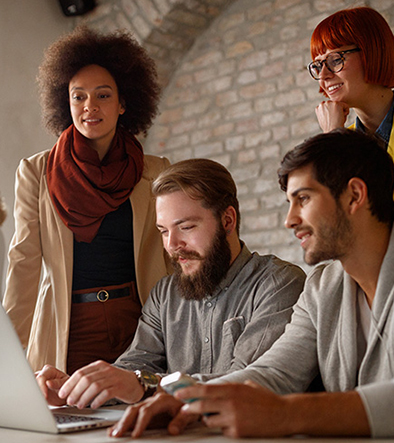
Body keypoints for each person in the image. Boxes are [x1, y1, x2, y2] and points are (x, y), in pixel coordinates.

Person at [108, 129, 394, 439]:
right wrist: (183, 401)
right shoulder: (321, 289)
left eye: (303, 199)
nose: (289, 220)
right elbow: (273, 374)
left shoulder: (281, 282)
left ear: (354, 196)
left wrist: (288, 414)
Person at [36, 158, 305, 412]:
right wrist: (74, 389)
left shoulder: (278, 284)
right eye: (164, 231)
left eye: (186, 227)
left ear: (227, 221)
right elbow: (133, 369)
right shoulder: (164, 295)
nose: (172, 246)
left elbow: (248, 383)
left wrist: (146, 385)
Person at [2, 26, 171, 375]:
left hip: (143, 324)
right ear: (65, 103)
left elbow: (173, 258)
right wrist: (8, 353)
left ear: (124, 103)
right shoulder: (36, 172)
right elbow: (24, 263)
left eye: (103, 96)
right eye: (78, 96)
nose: (89, 107)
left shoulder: (156, 171)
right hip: (68, 327)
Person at [308, 7, 394, 159]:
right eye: (318, 66)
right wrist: (332, 136)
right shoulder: (343, 141)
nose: (323, 75)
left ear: (373, 53)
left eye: (335, 60)